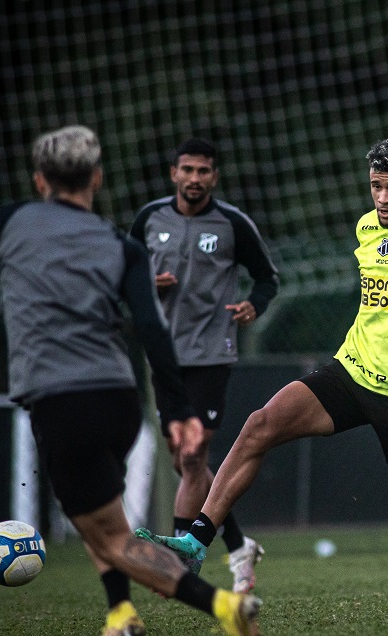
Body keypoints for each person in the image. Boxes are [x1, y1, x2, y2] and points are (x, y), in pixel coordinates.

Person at [0, 126, 265, 636]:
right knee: (105, 525)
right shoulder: (119, 242)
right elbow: (151, 329)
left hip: (61, 401)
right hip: (118, 398)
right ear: (96, 179)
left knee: (111, 541)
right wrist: (176, 413)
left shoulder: (9, 222)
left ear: (39, 180)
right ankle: (121, 619)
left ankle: (222, 606)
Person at [137, 137, 388, 606]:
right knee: (261, 425)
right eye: (376, 186)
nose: (382, 198)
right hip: (351, 371)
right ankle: (196, 541)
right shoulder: (367, 227)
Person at [129, 138, 278, 592]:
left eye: (203, 171)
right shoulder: (149, 220)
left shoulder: (233, 224)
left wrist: (254, 304)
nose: (195, 179)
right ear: (173, 173)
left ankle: (179, 551)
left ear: (215, 176)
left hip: (213, 351)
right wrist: (144, 282)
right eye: (187, 170)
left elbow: (267, 279)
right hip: (164, 355)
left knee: (193, 454)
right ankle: (237, 546)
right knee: (184, 461)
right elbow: (121, 274)